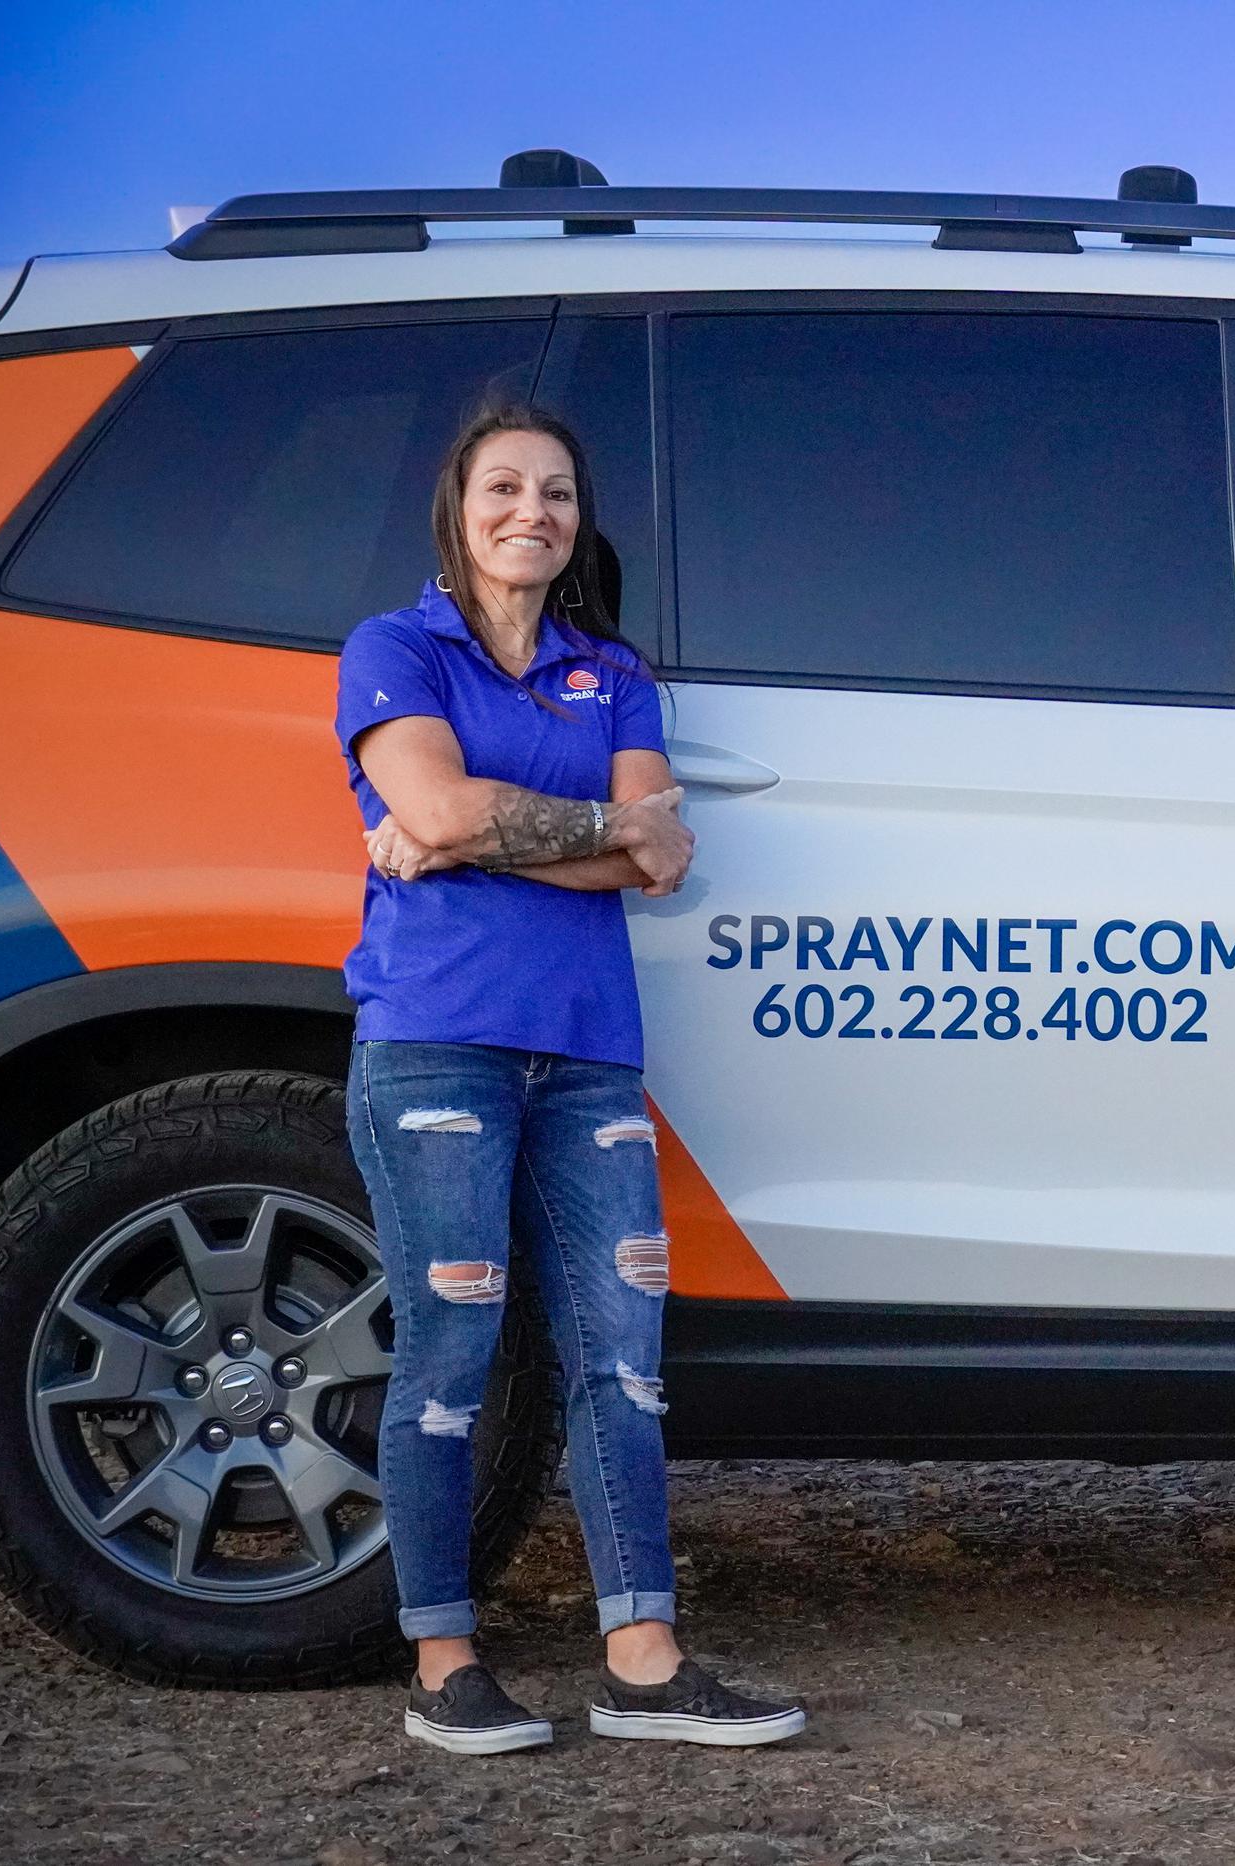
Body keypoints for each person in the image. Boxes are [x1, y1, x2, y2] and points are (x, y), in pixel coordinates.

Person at [337, 403, 805, 1754]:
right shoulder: (394, 649)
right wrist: (550, 824)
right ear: (458, 506)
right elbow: (440, 807)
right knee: (452, 1354)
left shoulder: (617, 672)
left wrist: (480, 832)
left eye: (554, 490)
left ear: (577, 517)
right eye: (503, 486)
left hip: (590, 1058)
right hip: (437, 1045)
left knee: (626, 1361)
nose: (529, 510)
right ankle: (442, 1657)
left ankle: (644, 1661)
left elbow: (658, 856)